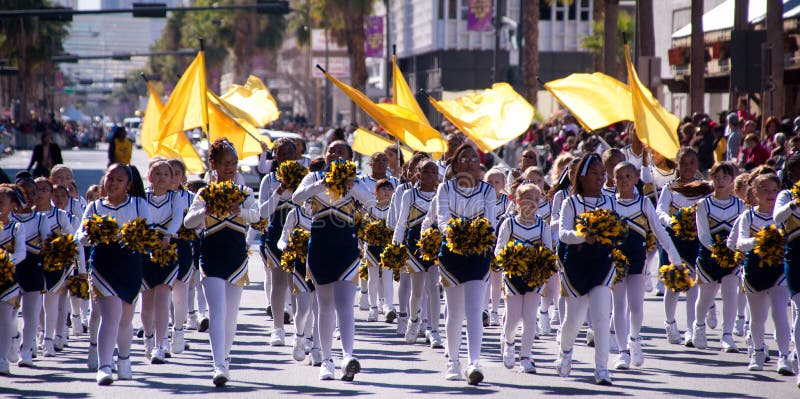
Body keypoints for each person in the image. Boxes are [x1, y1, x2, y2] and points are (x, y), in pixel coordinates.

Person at [292, 140, 372, 381]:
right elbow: (297, 198)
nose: (335, 154)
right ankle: (326, 360)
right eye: (331, 151)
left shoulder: (355, 179)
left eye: (341, 152)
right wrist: (321, 183)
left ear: (349, 158)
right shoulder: (314, 176)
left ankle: (348, 356)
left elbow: (371, 202)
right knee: (324, 306)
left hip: (346, 247)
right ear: (325, 155)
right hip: (319, 246)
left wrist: (351, 187)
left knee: (346, 304)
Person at [184, 138, 259, 386]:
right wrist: (205, 211)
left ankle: (225, 357)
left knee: (231, 314)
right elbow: (188, 223)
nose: (230, 167)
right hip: (211, 256)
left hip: (236, 258)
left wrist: (242, 211)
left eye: (234, 163)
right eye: (226, 163)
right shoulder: (205, 193)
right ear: (213, 164)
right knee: (217, 311)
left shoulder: (244, 192)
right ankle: (218, 365)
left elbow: (258, 216)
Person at [77, 163, 149, 385]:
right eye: (110, 178)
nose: (114, 183)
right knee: (110, 317)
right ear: (103, 181)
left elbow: (148, 232)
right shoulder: (94, 206)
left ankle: (124, 360)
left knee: (125, 320)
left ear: (128, 185)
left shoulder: (138, 204)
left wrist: (128, 236)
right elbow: (81, 236)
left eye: (119, 179)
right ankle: (104, 366)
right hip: (103, 265)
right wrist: (95, 234)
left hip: (130, 264)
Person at [436, 144, 496, 385]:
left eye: (474, 158)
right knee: (454, 311)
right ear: (456, 163)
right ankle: (453, 361)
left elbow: (490, 222)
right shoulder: (445, 188)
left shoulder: (487, 190)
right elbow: (442, 220)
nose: (470, 161)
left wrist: (477, 236)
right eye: (465, 158)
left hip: (479, 253)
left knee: (474, 310)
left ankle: (474, 363)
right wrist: (456, 234)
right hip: (452, 253)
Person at [612, 162, 682, 369]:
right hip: (615, 262)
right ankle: (622, 350)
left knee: (636, 306)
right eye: (619, 176)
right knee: (618, 306)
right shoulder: (609, 203)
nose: (624, 180)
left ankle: (634, 339)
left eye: (628, 176)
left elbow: (659, 231)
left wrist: (674, 256)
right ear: (613, 180)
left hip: (637, 261)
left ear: (636, 179)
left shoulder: (643, 203)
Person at [555, 153, 616, 385]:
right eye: (595, 173)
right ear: (582, 176)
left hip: (602, 263)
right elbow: (563, 234)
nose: (601, 177)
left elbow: (617, 227)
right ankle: (565, 352)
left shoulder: (610, 200)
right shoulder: (571, 203)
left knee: (602, 316)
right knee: (574, 319)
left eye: (603, 173)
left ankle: (602, 369)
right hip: (576, 266)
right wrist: (583, 236)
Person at [734, 173, 793, 375]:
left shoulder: (784, 216)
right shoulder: (748, 216)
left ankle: (784, 356)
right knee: (758, 318)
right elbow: (740, 243)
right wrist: (760, 240)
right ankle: (758, 352)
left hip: (779, 270)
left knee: (780, 313)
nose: (770, 194)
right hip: (754, 271)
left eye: (774, 190)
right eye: (765, 190)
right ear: (755, 193)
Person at [656, 148, 712, 347]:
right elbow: (660, 211)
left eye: (692, 162)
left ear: (697, 165)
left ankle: (690, 330)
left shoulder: (705, 188)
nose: (688, 166)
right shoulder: (669, 188)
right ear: (677, 165)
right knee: (673, 285)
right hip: (673, 240)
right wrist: (673, 221)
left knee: (693, 286)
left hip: (696, 240)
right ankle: (670, 324)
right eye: (684, 163)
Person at [495, 182, 551, 374]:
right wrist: (510, 261)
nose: (533, 203)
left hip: (534, 278)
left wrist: (541, 265)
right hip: (512, 277)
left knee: (529, 318)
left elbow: (549, 252)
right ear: (517, 201)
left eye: (536, 199)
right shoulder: (509, 223)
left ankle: (526, 357)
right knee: (512, 318)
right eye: (528, 199)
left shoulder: (543, 226)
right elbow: (499, 250)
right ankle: (508, 341)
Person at [694, 162, 744, 352]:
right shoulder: (703, 204)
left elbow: (741, 231)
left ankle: (727, 335)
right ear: (711, 179)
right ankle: (699, 327)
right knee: (705, 297)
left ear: (732, 180)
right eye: (716, 177)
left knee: (731, 293)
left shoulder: (740, 205)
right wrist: (717, 249)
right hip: (708, 258)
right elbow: (703, 234)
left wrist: (731, 249)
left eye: (725, 177)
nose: (720, 181)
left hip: (732, 258)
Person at [33, 177, 84, 357]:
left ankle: (53, 337)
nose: (40, 194)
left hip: (57, 264)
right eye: (36, 190)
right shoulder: (28, 215)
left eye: (44, 190)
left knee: (54, 302)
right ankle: (37, 335)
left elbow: (74, 242)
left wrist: (82, 269)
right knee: (36, 303)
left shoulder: (60, 216)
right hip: (33, 264)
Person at [141, 160, 184, 364]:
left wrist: (168, 235)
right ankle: (148, 339)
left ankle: (160, 344)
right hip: (145, 250)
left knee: (163, 298)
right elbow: (140, 218)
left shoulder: (176, 198)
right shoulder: (141, 198)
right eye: (156, 173)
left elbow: (177, 219)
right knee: (147, 302)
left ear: (172, 179)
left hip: (168, 249)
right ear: (149, 177)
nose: (161, 177)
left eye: (166, 174)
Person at [257, 138, 300, 346]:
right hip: (275, 233)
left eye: (290, 151)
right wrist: (280, 190)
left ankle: (300, 330)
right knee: (278, 281)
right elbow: (262, 212)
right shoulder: (269, 179)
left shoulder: (305, 177)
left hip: (299, 232)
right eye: (281, 152)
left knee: (298, 282)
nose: (286, 156)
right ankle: (277, 328)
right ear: (275, 156)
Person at [392, 159, 439, 345]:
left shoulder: (442, 195)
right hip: (414, 245)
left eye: (434, 172)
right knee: (418, 291)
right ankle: (413, 321)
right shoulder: (409, 195)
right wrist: (395, 245)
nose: (431, 175)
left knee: (434, 289)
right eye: (426, 172)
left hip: (436, 244)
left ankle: (434, 330)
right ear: (418, 174)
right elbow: (402, 221)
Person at [772, 153, 800, 387]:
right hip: (796, 257)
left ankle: (794, 355)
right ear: (791, 174)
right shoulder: (786, 195)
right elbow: (777, 217)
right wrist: (794, 204)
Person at [0, 184, 26, 375]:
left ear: (13, 206)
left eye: (1, 203)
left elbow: (21, 253)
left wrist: (6, 262)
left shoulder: (16, 227)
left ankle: (2, 358)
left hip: (9, 278)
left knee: (4, 319)